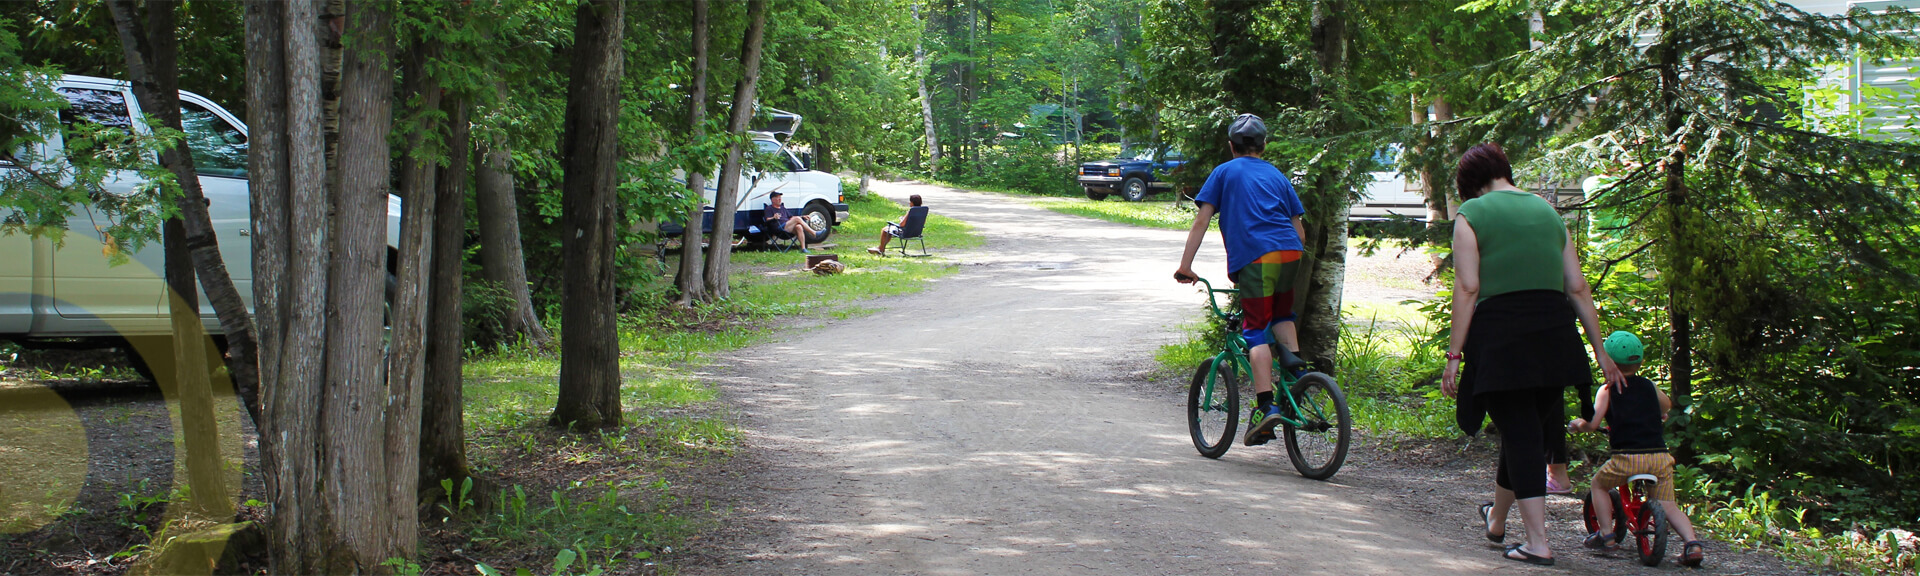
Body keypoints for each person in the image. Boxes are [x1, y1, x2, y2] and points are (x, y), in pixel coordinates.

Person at [1440, 143, 1623, 566]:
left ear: (1471, 182)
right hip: (1555, 335)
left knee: (1522, 436)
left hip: (1503, 339)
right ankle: (1498, 522)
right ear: (1505, 170)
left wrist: (1455, 355)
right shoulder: (1548, 213)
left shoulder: (1471, 214)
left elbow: (1468, 288)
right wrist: (1600, 352)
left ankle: (1538, 543)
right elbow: (1577, 287)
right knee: (1523, 433)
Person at [1173, 114, 1309, 447]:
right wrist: (1286, 258)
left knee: (1255, 329)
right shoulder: (1277, 176)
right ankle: (1298, 377)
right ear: (1265, 145)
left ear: (1231, 145)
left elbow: (1201, 220)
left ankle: (1266, 407)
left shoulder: (1224, 172)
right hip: (1291, 253)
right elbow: (1299, 229)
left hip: (1256, 257)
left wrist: (1185, 266)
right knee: (1282, 317)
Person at [1570, 331, 1706, 567]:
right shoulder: (1649, 386)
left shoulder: (1607, 390)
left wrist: (1579, 426)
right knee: (1668, 504)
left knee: (1598, 485)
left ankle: (1606, 535)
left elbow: (1593, 423)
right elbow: (1667, 406)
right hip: (1659, 457)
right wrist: (1657, 413)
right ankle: (1692, 544)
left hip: (1627, 458)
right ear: (1640, 361)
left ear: (1608, 362)